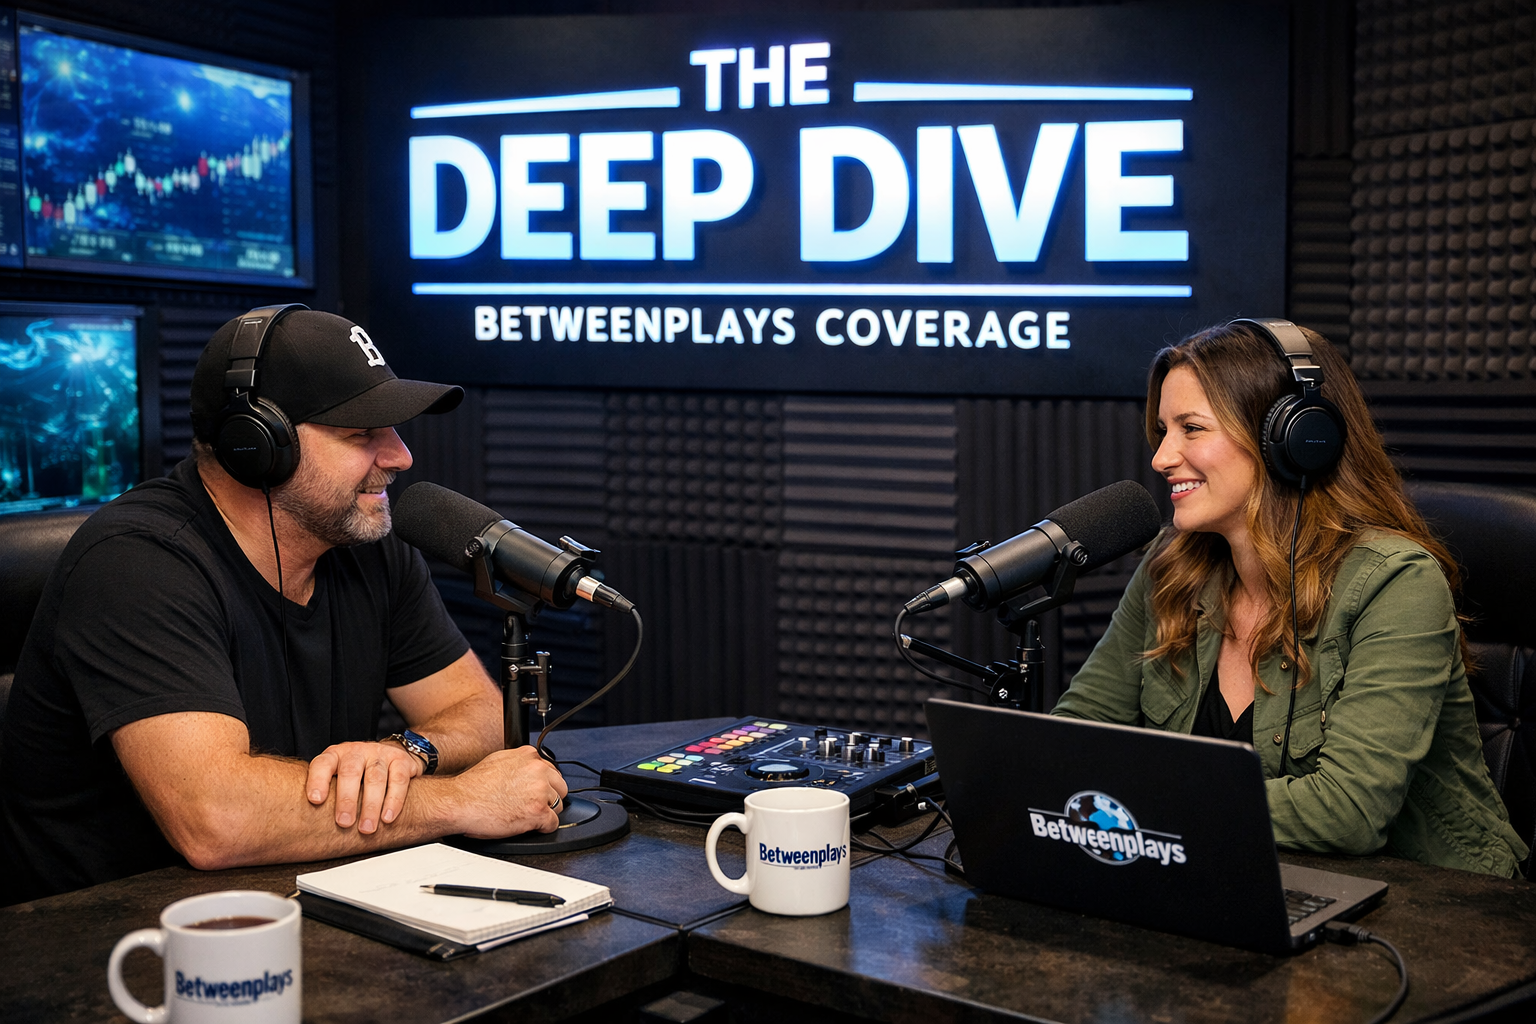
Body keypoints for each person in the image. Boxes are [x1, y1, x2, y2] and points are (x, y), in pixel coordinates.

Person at [0, 307, 567, 905]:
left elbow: (475, 709)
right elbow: (215, 819)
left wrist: (409, 754)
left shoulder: (367, 549)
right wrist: (461, 800)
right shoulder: (135, 562)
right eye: (362, 434)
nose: (400, 457)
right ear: (257, 446)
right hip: (107, 941)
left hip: (288, 902)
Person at [1053, 318, 1528, 877]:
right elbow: (1072, 741)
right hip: (1240, 880)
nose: (1161, 458)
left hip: (1434, 914)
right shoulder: (1171, 568)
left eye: (1192, 429)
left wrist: (1142, 801)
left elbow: (1347, 811)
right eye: (1163, 430)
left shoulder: (1397, 582)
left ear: (1295, 440)